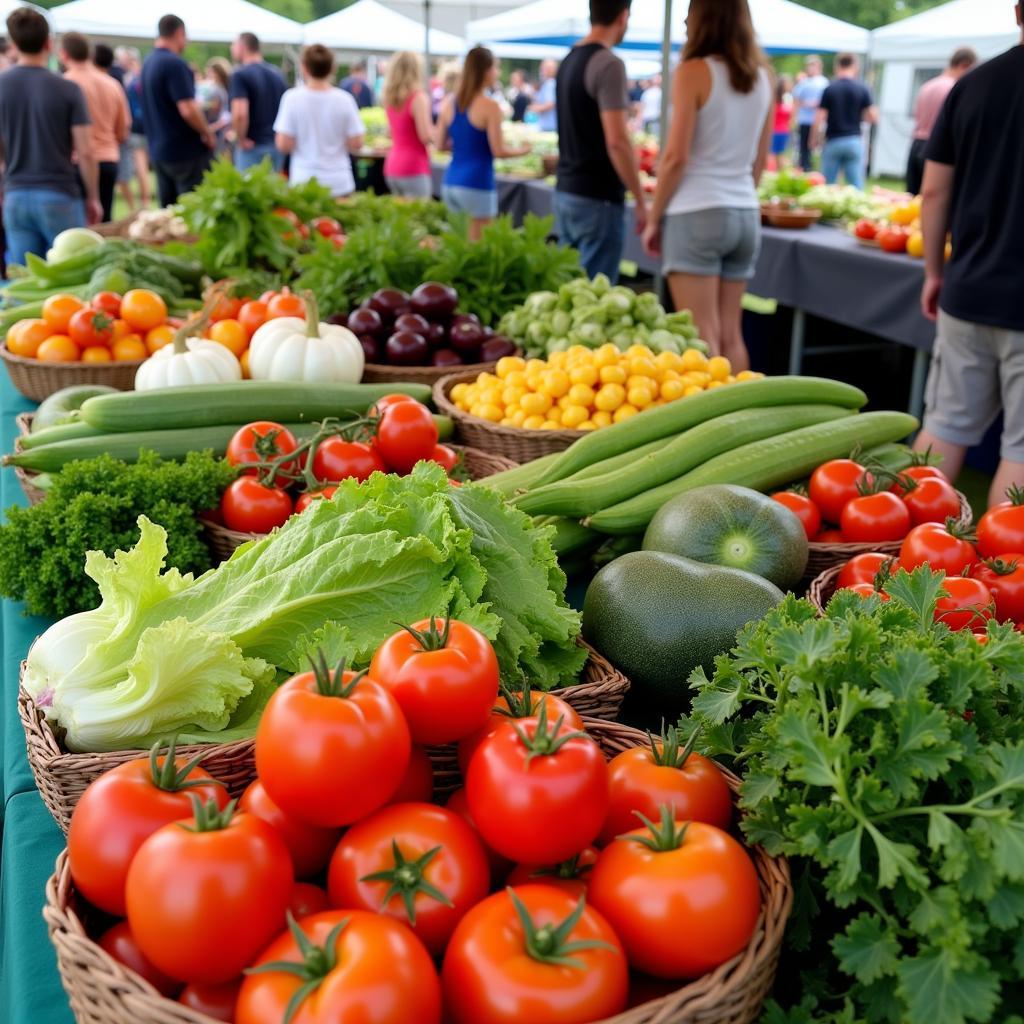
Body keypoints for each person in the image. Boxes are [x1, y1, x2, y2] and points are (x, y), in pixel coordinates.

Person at [913, 4, 1024, 506]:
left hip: (968, 287)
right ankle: (1003, 580)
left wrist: (934, 271)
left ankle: (900, 557)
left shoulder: (973, 84)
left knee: (944, 427)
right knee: (1021, 451)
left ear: (1018, 11)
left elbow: (933, 192)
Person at [641, 0, 771, 373]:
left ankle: (715, 427)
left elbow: (675, 157)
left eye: (690, 10)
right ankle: (744, 418)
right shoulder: (764, 77)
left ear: (705, 18)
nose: (683, 18)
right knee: (732, 333)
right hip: (744, 211)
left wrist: (653, 218)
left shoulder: (693, 71)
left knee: (701, 337)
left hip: (696, 212)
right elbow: (759, 163)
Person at [553, 0, 647, 283]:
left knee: (566, 293)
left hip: (567, 190)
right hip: (597, 198)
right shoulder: (609, 63)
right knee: (593, 301)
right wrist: (641, 199)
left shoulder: (568, 59)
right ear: (623, 16)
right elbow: (617, 140)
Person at [0, 8, 100, 264]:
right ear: (49, 43)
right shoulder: (68, 89)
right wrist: (93, 197)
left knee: (25, 286)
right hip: (59, 194)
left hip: (16, 195)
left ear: (14, 44)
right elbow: (86, 151)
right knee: (71, 280)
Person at [436, 46, 531, 241]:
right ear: (486, 70)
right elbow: (498, 150)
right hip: (477, 183)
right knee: (478, 251)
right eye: (496, 68)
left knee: (457, 248)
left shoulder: (449, 103)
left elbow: (439, 144)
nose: (497, 73)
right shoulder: (489, 106)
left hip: (451, 182)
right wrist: (524, 150)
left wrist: (465, 146)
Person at [141, 14, 215, 206]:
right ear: (179, 33)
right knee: (191, 213)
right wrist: (207, 132)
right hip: (184, 153)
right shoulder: (175, 63)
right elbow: (188, 109)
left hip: (159, 151)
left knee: (168, 215)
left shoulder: (148, 63)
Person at [274, 44, 364, 198]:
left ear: (304, 67)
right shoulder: (345, 100)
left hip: (303, 181)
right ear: (332, 68)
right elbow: (357, 143)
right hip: (339, 181)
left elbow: (283, 144)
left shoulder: (292, 98)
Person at [61, 31, 129, 223]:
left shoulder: (65, 83)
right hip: (108, 159)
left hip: (76, 162)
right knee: (104, 223)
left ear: (64, 54)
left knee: (78, 227)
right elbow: (122, 130)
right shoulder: (112, 84)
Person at [905, 47, 977, 196]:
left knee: (912, 197)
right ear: (964, 65)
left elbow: (917, 115)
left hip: (916, 144)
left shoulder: (926, 86)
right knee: (933, 197)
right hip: (936, 149)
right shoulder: (954, 90)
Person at [813, 54, 877, 189]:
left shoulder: (830, 88)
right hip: (854, 140)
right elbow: (873, 117)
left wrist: (813, 138)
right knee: (856, 185)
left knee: (828, 185)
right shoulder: (862, 88)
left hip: (833, 140)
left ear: (838, 65)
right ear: (854, 66)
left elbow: (819, 118)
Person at [229, 32, 286, 172]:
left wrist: (240, 139)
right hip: (276, 144)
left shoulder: (240, 74)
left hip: (252, 146)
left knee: (249, 191)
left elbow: (240, 114)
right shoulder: (277, 74)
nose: (232, 49)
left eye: (233, 45)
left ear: (242, 46)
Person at [382, 51, 432, 198]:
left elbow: (390, 132)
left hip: (392, 166)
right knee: (420, 217)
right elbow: (425, 136)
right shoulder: (418, 98)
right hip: (414, 167)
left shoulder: (390, 98)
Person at [118, 47, 149, 210]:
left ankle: (143, 205)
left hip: (136, 127)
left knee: (140, 166)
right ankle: (144, 203)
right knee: (141, 166)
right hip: (147, 127)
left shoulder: (133, 80)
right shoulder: (144, 77)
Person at [792, 55, 828, 171]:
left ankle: (816, 170)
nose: (811, 68)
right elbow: (797, 101)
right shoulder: (803, 83)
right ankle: (804, 168)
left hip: (818, 122)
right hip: (805, 120)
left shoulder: (824, 82)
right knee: (803, 148)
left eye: (813, 65)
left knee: (817, 147)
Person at [205, 59, 233, 154]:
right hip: (222, 128)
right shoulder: (226, 89)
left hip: (218, 129)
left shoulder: (217, 90)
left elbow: (216, 109)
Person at [770, 74, 793, 169]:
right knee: (776, 157)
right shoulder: (778, 99)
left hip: (780, 131)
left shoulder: (787, 98)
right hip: (778, 131)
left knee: (778, 156)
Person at [529, 58, 558, 132]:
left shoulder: (550, 83)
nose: (542, 71)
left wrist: (536, 108)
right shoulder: (549, 83)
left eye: (543, 68)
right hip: (548, 125)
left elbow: (551, 104)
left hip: (549, 126)